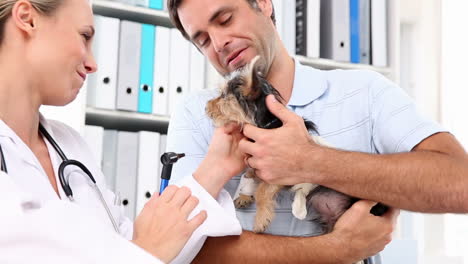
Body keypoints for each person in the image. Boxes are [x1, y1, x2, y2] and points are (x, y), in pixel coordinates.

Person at [166, 0, 468, 262]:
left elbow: (460, 184)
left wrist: (311, 161)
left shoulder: (366, 92)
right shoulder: (196, 115)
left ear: (264, 3)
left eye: (225, 19)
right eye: (202, 40)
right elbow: (181, 248)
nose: (218, 43)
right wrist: (334, 249)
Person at [0, 0, 248, 263]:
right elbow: (144, 252)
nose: (93, 64)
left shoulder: (69, 145)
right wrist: (145, 251)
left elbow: (137, 247)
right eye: (84, 36)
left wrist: (217, 167)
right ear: (28, 19)